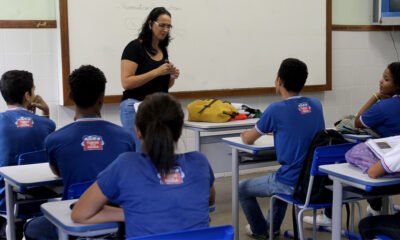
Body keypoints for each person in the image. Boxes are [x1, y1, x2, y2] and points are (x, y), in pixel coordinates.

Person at [71, 93, 216, 239]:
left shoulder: (126, 165)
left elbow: (80, 214)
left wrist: (133, 213)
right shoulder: (200, 162)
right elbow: (208, 201)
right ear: (179, 131)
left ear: (137, 131)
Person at [24, 65, 134, 240]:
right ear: (101, 98)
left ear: (71, 96)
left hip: (73, 217)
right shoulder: (126, 137)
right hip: (116, 219)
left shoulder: (54, 139)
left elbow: (58, 172)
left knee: (32, 228)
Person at [304, 62, 400, 227]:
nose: (381, 82)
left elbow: (357, 121)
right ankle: (375, 207)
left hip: (385, 166)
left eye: (386, 79)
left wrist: (376, 97)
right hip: (394, 170)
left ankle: (329, 216)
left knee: (338, 166)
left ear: (397, 85)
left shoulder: (383, 107)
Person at [238, 58, 325, 239]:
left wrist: (244, 133)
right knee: (282, 174)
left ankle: (261, 231)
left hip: (290, 182)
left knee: (242, 188)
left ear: (279, 80)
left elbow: (249, 139)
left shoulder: (276, 109)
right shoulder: (316, 105)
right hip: (313, 181)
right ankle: (273, 228)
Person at [0, 70, 55, 239]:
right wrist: (45, 114)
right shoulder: (47, 124)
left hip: (3, 200)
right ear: (27, 96)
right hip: (38, 200)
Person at [120, 6, 180, 152]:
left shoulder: (162, 49)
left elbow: (161, 85)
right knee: (140, 153)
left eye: (168, 26)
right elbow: (127, 82)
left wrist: (171, 77)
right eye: (162, 25)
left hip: (157, 109)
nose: (165, 30)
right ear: (150, 24)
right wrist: (157, 71)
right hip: (134, 107)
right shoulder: (134, 47)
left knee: (157, 153)